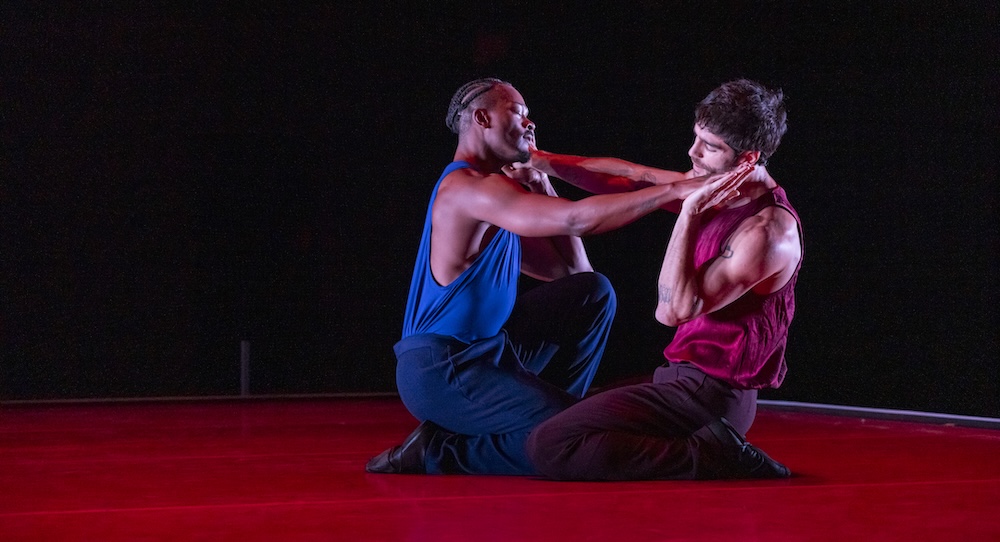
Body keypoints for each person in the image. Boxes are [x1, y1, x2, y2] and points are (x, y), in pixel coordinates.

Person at [365, 77, 750, 476]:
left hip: (489, 355)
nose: (530, 124)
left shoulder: (499, 197)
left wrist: (542, 181)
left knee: (593, 292)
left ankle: (562, 421)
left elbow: (574, 274)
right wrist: (679, 192)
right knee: (573, 439)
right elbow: (576, 219)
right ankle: (439, 451)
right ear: (482, 118)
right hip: (443, 368)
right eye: (518, 113)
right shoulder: (467, 187)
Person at [523, 79, 802, 480]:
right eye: (696, 137)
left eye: (710, 146)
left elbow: (672, 311)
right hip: (680, 378)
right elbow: (632, 178)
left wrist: (688, 214)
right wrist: (539, 160)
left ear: (748, 158)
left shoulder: (766, 232)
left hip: (713, 396)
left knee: (549, 445)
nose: (693, 152)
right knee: (547, 415)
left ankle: (714, 455)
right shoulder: (719, 187)